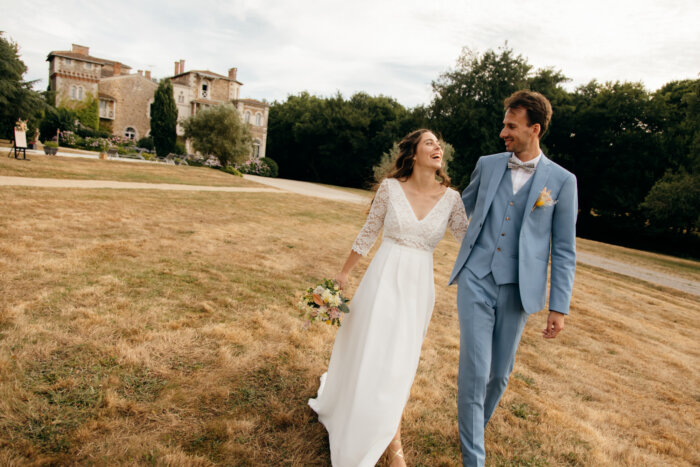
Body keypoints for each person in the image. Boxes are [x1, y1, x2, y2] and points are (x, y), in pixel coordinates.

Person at [309, 129, 469, 466]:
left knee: (399, 360)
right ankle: (391, 443)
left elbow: (471, 241)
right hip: (382, 279)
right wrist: (343, 274)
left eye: (439, 143)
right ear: (414, 153)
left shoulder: (452, 199)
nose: (438, 147)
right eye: (430, 142)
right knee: (372, 349)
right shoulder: (390, 188)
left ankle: (388, 430)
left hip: (418, 288)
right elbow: (369, 232)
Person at [449, 90, 578, 466]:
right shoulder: (488, 165)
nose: (503, 132)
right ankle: (474, 457)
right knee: (475, 369)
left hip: (520, 288)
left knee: (499, 374)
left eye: (511, 126)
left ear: (534, 129)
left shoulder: (562, 181)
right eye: (504, 124)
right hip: (476, 276)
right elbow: (458, 208)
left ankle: (473, 428)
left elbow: (564, 248)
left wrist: (559, 306)